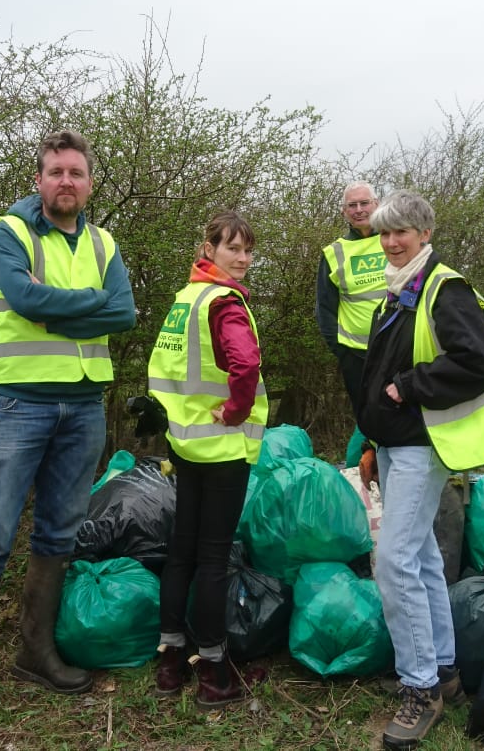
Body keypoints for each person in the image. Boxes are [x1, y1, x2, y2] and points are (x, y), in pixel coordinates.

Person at [0, 130, 136, 735]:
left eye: (76, 172)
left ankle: (34, 654)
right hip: (17, 406)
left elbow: (123, 312)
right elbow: (19, 296)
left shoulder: (103, 242)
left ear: (90, 183)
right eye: (55, 172)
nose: (65, 182)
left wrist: (54, 306)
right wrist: (79, 303)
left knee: (59, 532)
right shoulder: (8, 232)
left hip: (84, 406)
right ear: (38, 180)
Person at [356, 192, 484, 749]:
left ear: (424, 232)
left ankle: (419, 688)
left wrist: (411, 385)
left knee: (392, 561)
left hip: (425, 444)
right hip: (397, 443)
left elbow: (478, 361)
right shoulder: (400, 291)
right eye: (385, 234)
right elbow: (379, 375)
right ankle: (443, 670)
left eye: (403, 232)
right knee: (419, 559)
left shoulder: (446, 289)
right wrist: (372, 439)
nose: (393, 242)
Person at [148, 211, 269, 709]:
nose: (241, 259)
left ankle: (171, 663)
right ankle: (215, 674)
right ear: (209, 248)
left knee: (183, 552)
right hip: (221, 447)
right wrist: (238, 409)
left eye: (247, 250)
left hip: (185, 444)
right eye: (232, 248)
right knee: (214, 558)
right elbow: (246, 363)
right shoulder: (224, 303)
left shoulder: (184, 299)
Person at [317, 181, 384, 417]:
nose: (359, 210)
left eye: (364, 203)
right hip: (356, 356)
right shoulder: (333, 253)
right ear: (344, 212)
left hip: (401, 349)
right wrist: (341, 351)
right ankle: (370, 453)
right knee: (368, 416)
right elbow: (325, 309)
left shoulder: (396, 241)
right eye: (352, 205)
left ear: (377, 205)